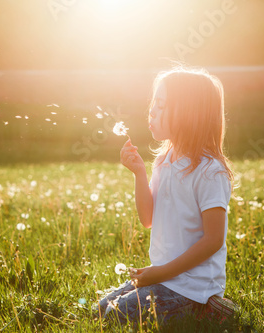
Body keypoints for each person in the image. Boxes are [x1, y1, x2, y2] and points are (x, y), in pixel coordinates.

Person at [96, 66, 234, 325]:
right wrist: (139, 173)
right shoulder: (164, 160)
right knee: (100, 309)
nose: (151, 111)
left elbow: (214, 240)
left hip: (193, 288)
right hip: (165, 279)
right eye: (153, 104)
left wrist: (158, 274)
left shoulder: (209, 171)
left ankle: (210, 309)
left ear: (187, 113)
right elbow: (148, 218)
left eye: (161, 105)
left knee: (115, 315)